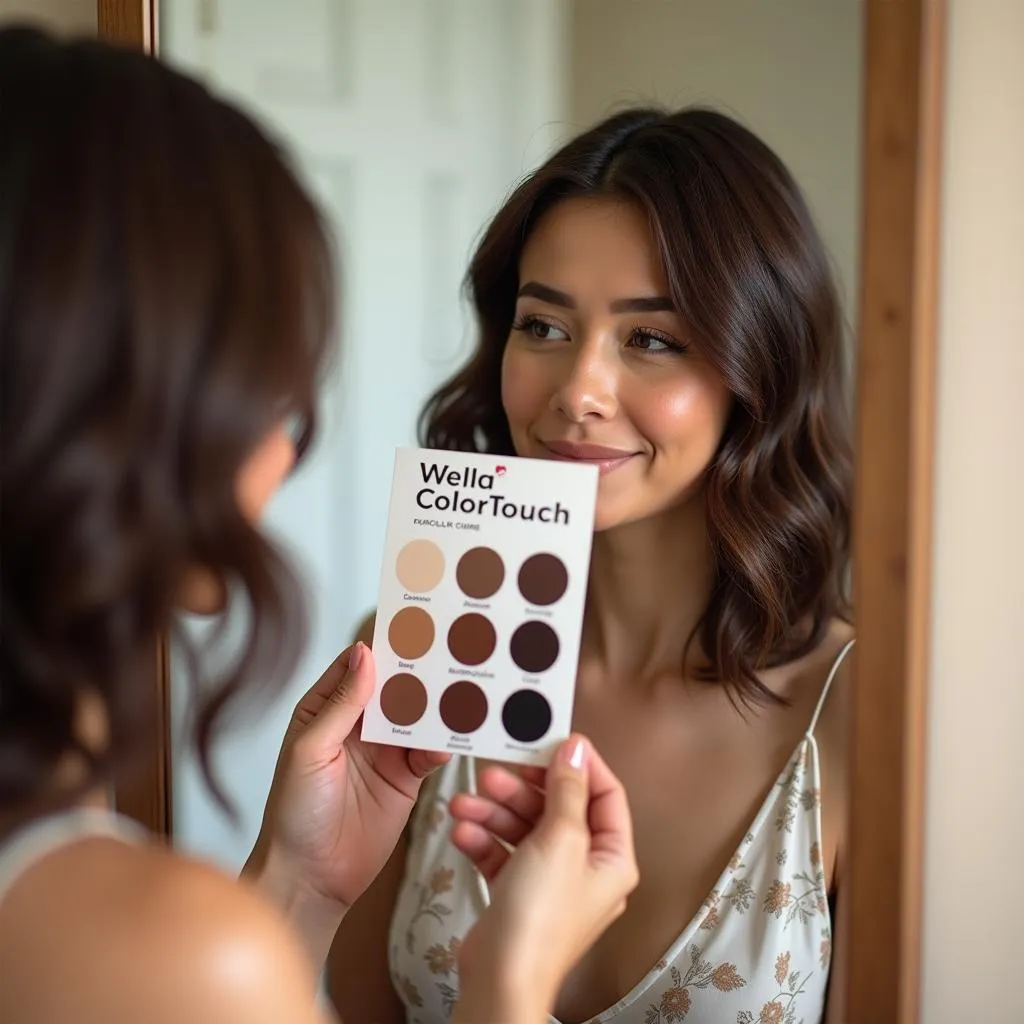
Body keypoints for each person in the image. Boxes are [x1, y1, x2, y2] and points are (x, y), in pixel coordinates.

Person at [0, 26, 639, 1024]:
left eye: (653, 337)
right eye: (276, 390)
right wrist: (511, 984)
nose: (282, 448)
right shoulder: (158, 953)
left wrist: (303, 883)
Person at [325, 106, 855, 1024]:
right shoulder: (419, 643)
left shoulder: (859, 714)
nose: (577, 394)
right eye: (543, 326)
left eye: (652, 339)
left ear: (758, 367)